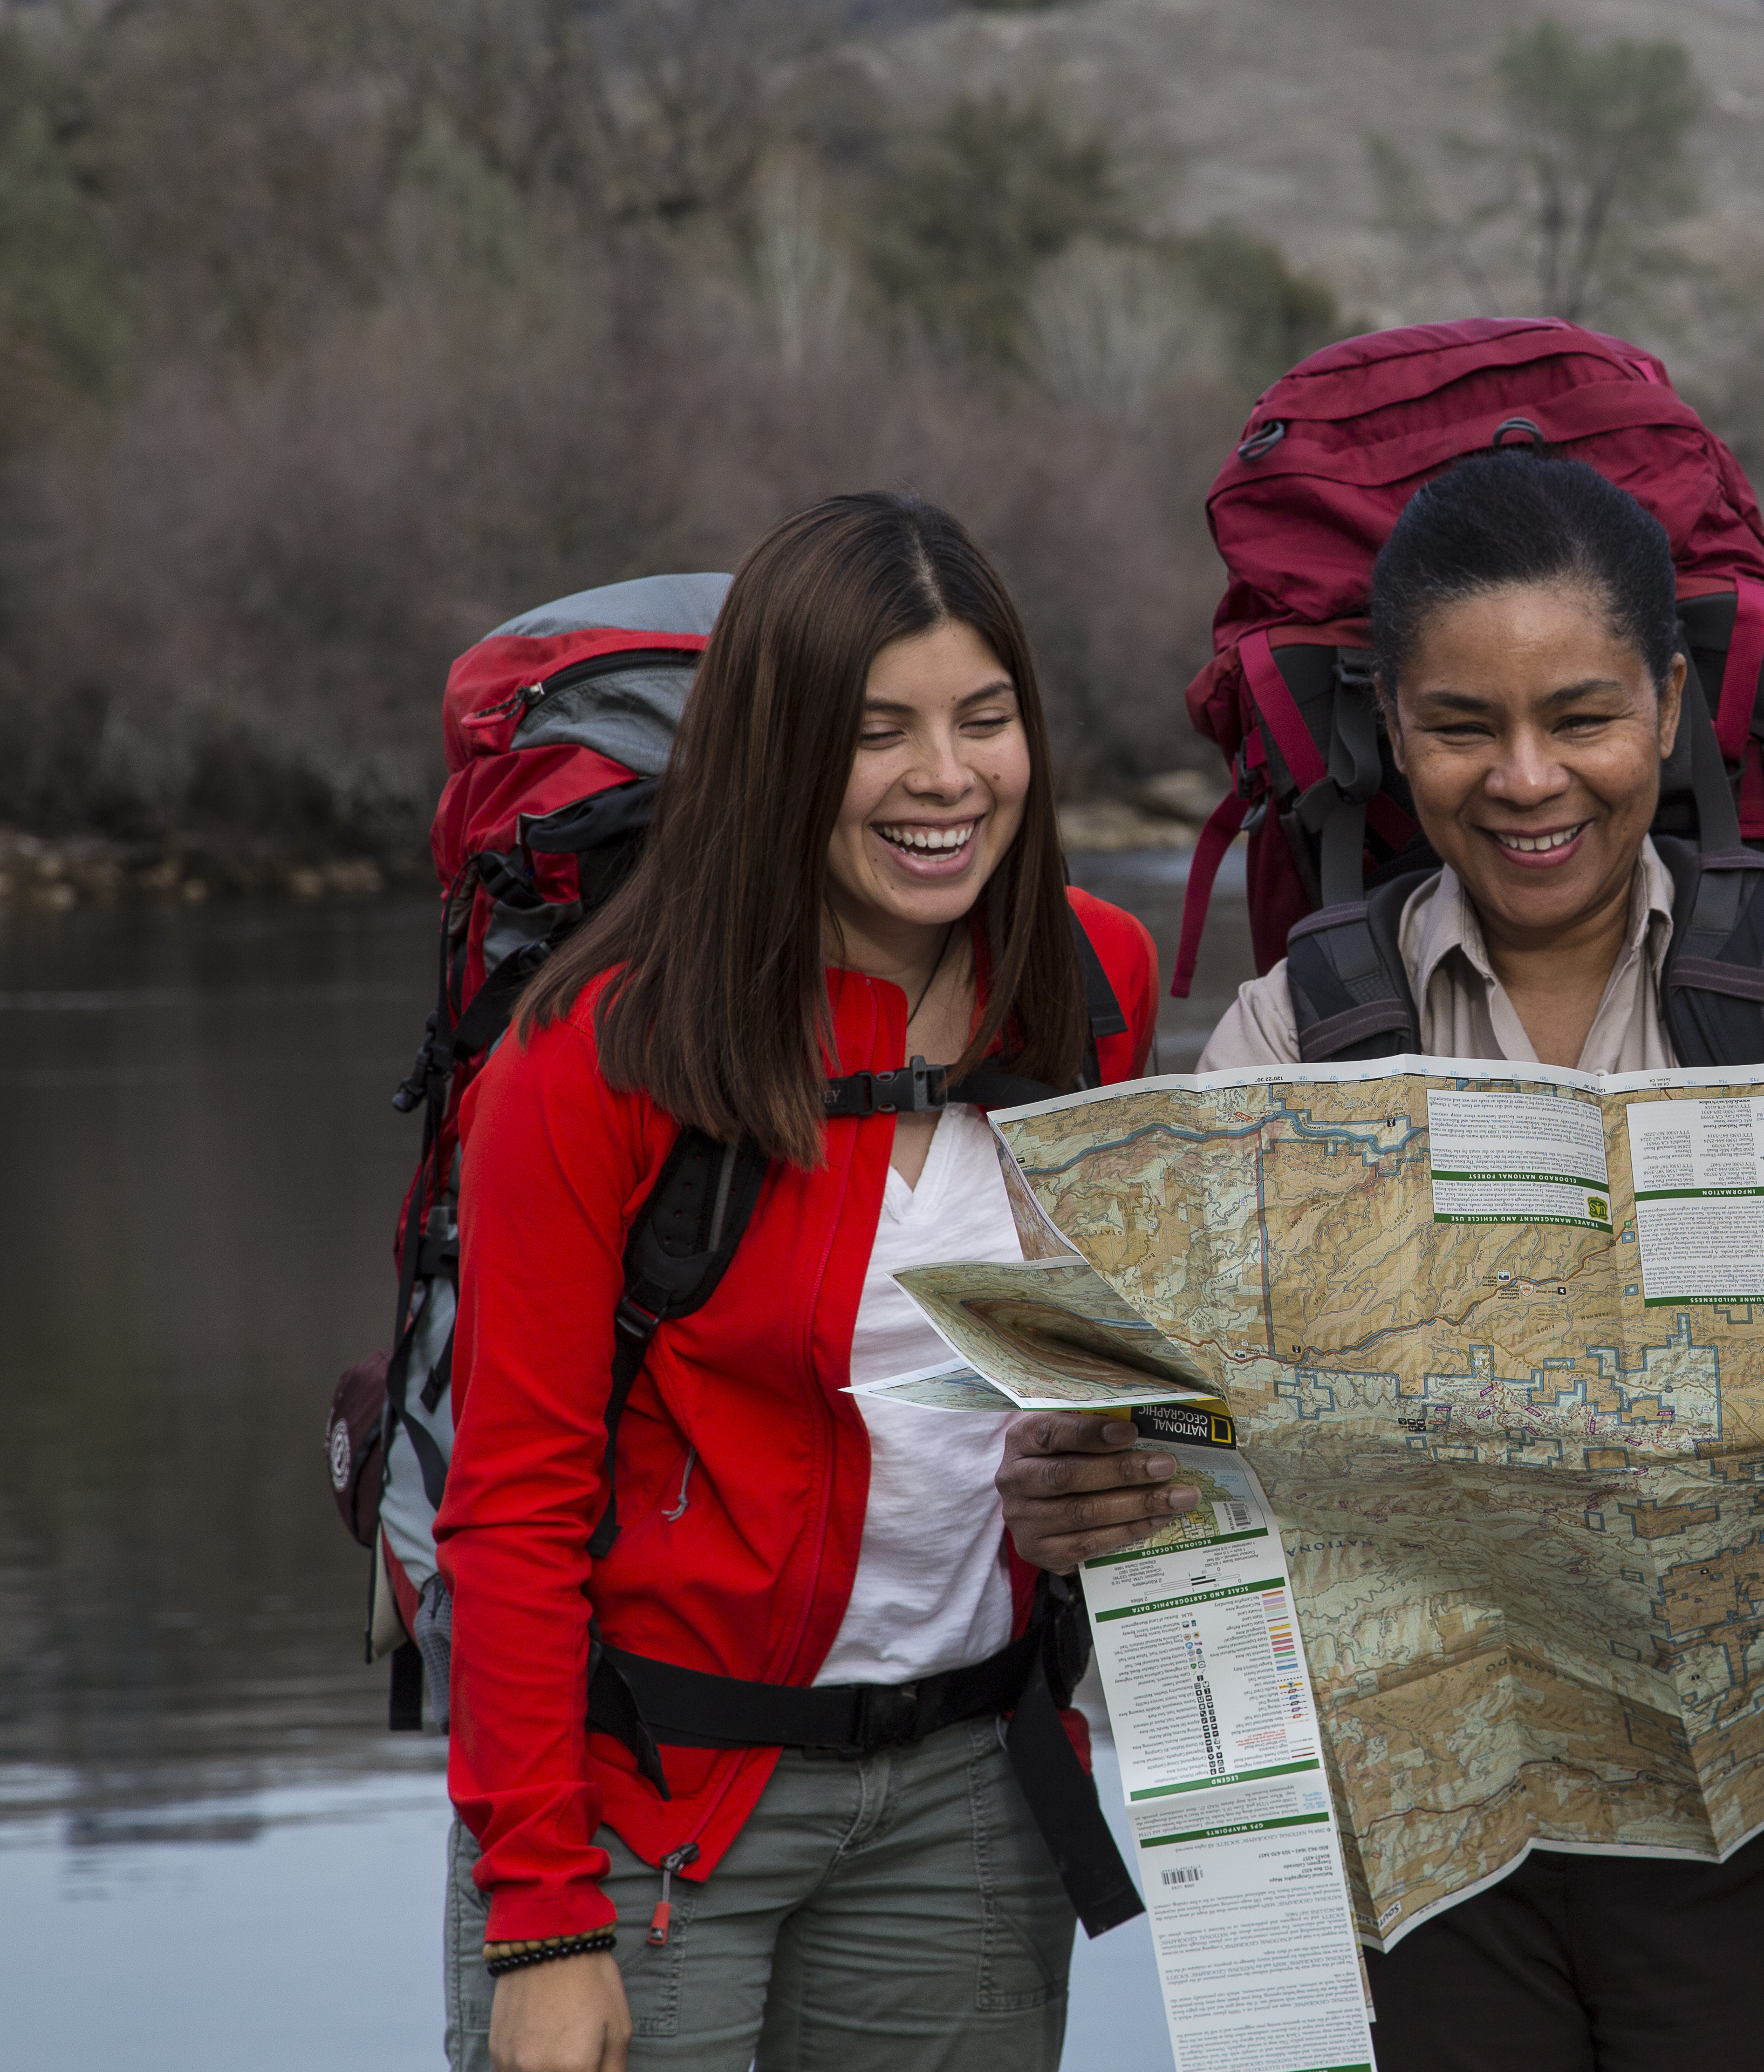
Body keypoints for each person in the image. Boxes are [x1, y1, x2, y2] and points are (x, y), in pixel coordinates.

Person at [995, 451, 1764, 2071]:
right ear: (1391, 730)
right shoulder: (1290, 1039)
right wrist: (1086, 1497)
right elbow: (1196, 1443)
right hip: (1425, 1858)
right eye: (1465, 727)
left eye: (1581, 717)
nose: (1528, 779)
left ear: (1668, 705)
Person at [437, 491, 1160, 2072]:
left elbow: (1087, 1359)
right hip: (651, 1809)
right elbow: (511, 1507)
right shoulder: (597, 1056)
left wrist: (1096, 1466)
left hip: (972, 1783)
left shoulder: (1093, 978)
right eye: (877, 730)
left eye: (986, 719)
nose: (946, 778)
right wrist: (547, 1923)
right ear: (776, 755)